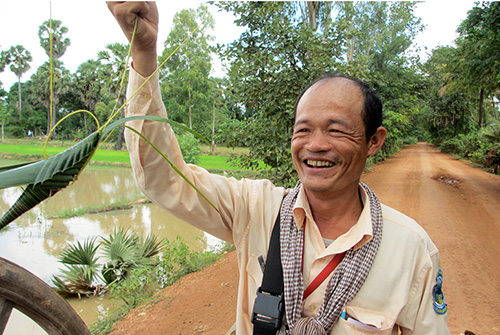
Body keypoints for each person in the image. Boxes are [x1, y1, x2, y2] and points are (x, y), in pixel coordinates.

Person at [108, 2, 450, 334]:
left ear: (374, 141)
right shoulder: (256, 209)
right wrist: (144, 52)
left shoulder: (411, 248)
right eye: (303, 129)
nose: (315, 145)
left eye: (335, 129)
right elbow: (163, 178)